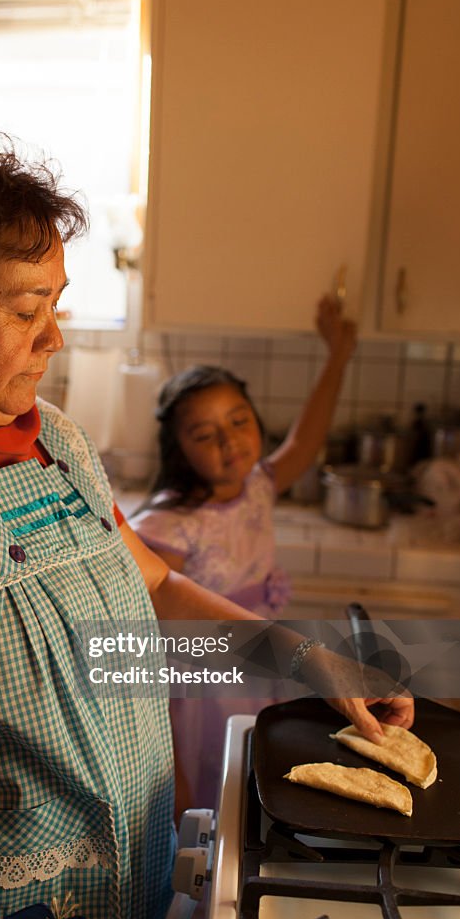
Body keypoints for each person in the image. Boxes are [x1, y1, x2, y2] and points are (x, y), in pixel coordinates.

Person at [0, 134, 412, 919]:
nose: (53, 335)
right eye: (23, 309)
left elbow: (152, 588)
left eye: (56, 302)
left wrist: (298, 657)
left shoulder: (52, 439)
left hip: (110, 904)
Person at [131, 306, 357, 810]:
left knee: (256, 785)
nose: (230, 441)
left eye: (239, 421)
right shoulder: (168, 526)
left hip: (261, 668)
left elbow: (307, 439)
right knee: (216, 792)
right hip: (207, 693)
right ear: (177, 449)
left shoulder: (258, 485)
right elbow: (152, 638)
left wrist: (339, 355)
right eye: (205, 435)